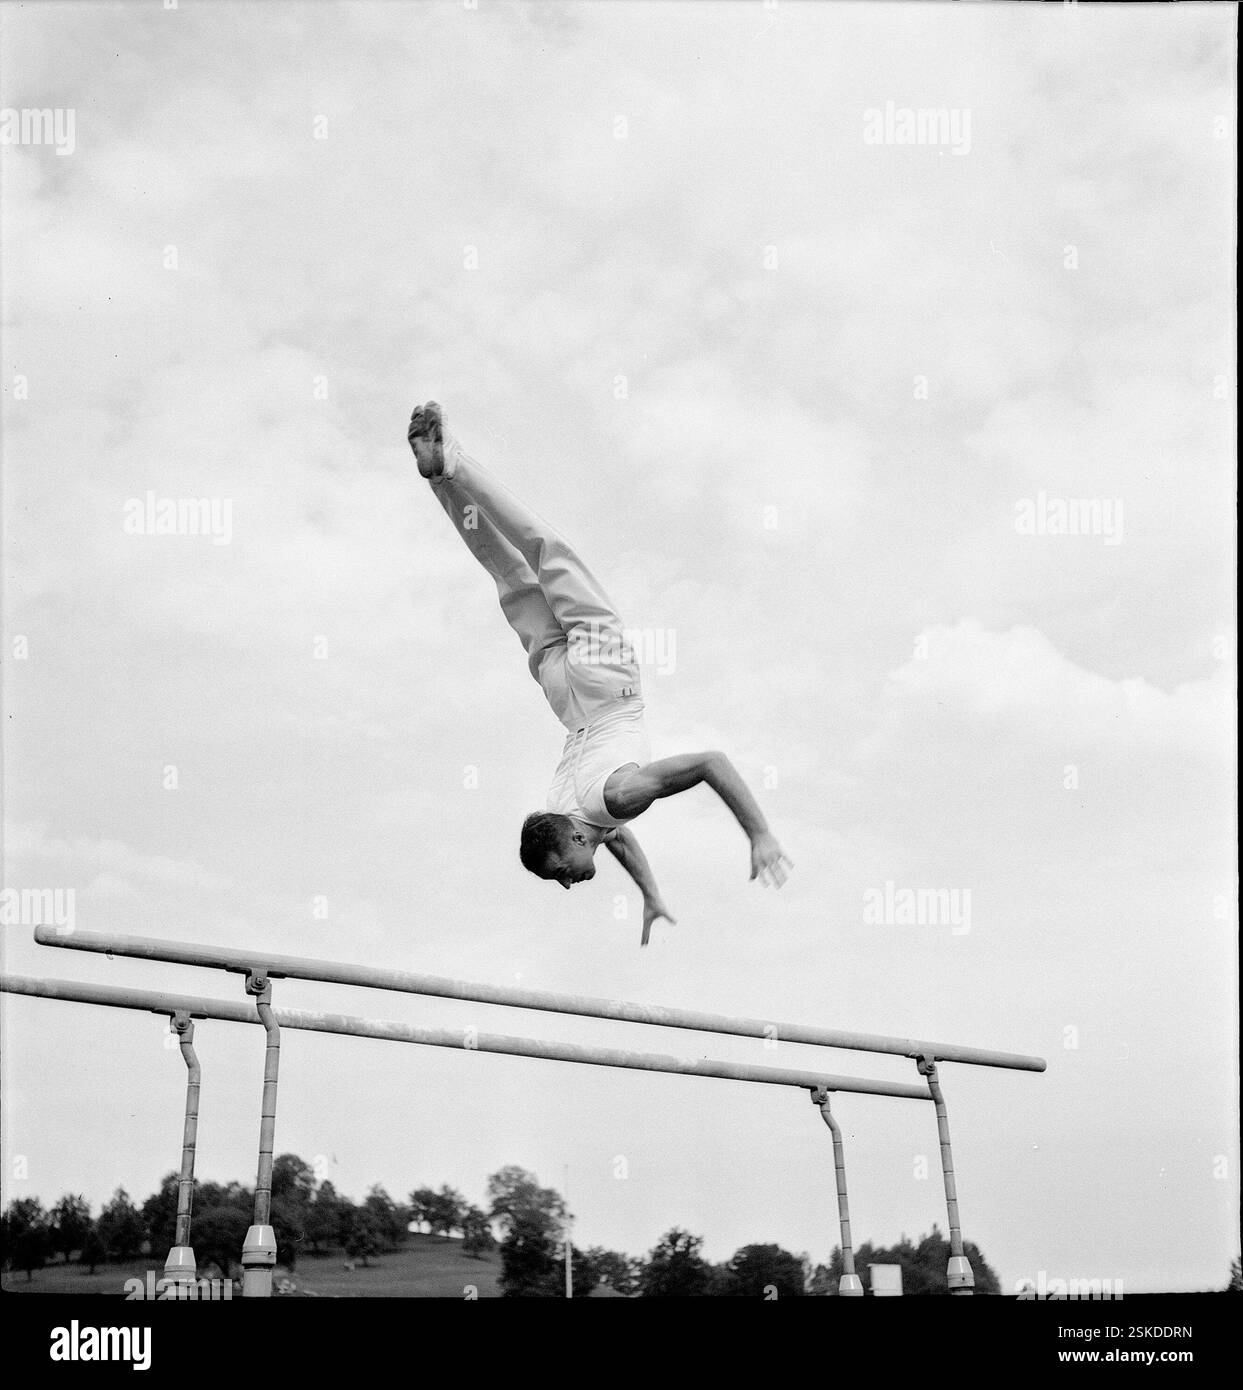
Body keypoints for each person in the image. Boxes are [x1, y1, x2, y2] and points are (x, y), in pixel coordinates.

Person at [409, 401, 792, 945]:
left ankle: (454, 465)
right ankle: (442, 483)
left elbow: (711, 762)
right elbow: (616, 839)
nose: (566, 883)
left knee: (547, 551)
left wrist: (760, 835)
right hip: (564, 695)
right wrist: (652, 894)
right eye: (560, 878)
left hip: (606, 686)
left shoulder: (616, 800)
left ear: (572, 838)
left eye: (558, 871)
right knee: (512, 574)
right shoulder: (567, 809)